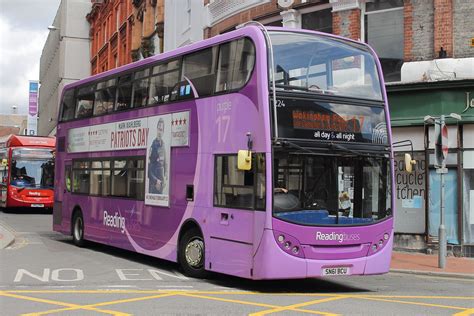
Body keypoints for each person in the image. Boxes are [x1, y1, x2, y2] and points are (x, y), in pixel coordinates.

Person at [148, 118, 167, 194]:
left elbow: (165, 163)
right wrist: (156, 181)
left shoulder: (163, 145)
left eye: (161, 130)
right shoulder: (152, 145)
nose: (160, 131)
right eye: (159, 129)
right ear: (156, 129)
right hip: (154, 185)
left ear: (163, 132)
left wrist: (165, 177)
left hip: (161, 185)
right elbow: (148, 170)